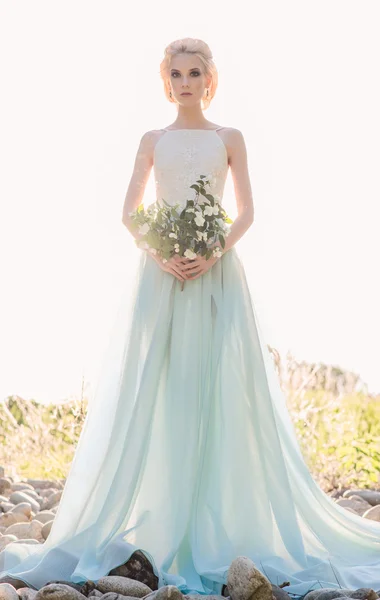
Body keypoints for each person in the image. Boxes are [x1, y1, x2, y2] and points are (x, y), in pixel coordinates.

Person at [1, 37, 380, 599]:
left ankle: (222, 518)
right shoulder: (151, 140)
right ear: (165, 81)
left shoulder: (230, 138)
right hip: (163, 279)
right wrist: (161, 252)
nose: (185, 82)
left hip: (217, 276)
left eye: (194, 72)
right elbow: (129, 213)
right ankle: (161, 515)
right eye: (175, 73)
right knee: (160, 389)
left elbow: (247, 210)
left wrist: (214, 251)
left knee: (221, 389)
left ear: (210, 80)